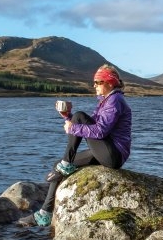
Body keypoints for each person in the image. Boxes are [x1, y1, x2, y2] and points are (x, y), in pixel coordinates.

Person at [34, 64, 132, 226]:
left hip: (114, 154)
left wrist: (74, 124)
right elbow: (90, 128)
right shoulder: (105, 100)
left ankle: (67, 162)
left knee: (79, 117)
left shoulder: (115, 100)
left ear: (109, 82)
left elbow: (100, 131)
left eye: (98, 82)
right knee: (57, 165)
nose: (94, 85)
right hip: (104, 150)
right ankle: (45, 213)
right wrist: (68, 117)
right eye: (94, 82)